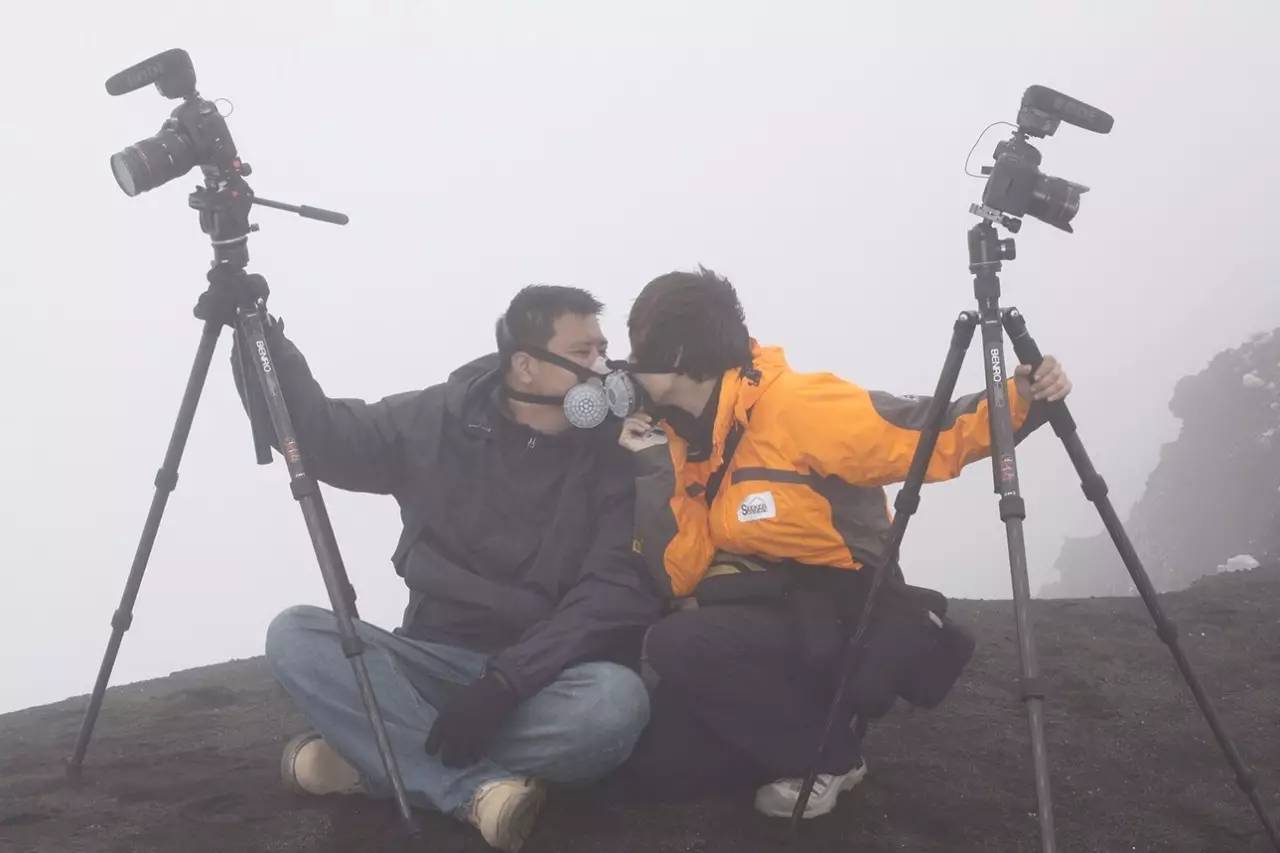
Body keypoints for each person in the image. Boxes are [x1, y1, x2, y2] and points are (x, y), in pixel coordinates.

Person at [199, 274, 662, 853]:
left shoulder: (615, 451)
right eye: (582, 352)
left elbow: (612, 590)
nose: (604, 368)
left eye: (602, 349)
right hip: (431, 659)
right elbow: (322, 437)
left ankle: (373, 759)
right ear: (525, 366)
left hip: (544, 677)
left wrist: (507, 681)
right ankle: (472, 791)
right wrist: (258, 339)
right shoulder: (435, 421)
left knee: (617, 706)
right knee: (295, 632)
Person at [614, 267, 1072, 819]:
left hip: (842, 607)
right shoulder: (685, 437)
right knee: (659, 771)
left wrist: (1018, 398)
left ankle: (828, 756)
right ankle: (803, 721)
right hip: (760, 609)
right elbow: (680, 573)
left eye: (640, 347)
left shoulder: (798, 407)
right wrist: (653, 465)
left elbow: (924, 430)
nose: (630, 362)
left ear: (681, 355)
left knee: (677, 642)